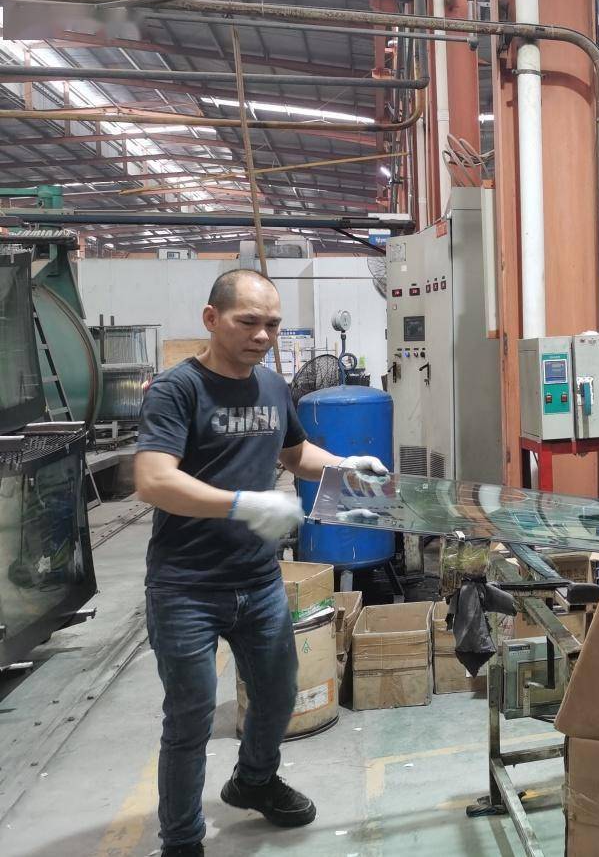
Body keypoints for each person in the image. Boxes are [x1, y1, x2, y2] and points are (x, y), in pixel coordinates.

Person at [134, 269, 388, 857]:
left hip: (258, 579)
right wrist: (242, 504)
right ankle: (182, 840)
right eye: (247, 322)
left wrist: (344, 466)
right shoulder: (177, 390)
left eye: (271, 324)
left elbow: (295, 454)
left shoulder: (272, 386)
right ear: (211, 319)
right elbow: (153, 480)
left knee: (277, 695)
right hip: (187, 586)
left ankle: (254, 780)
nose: (262, 336)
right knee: (190, 717)